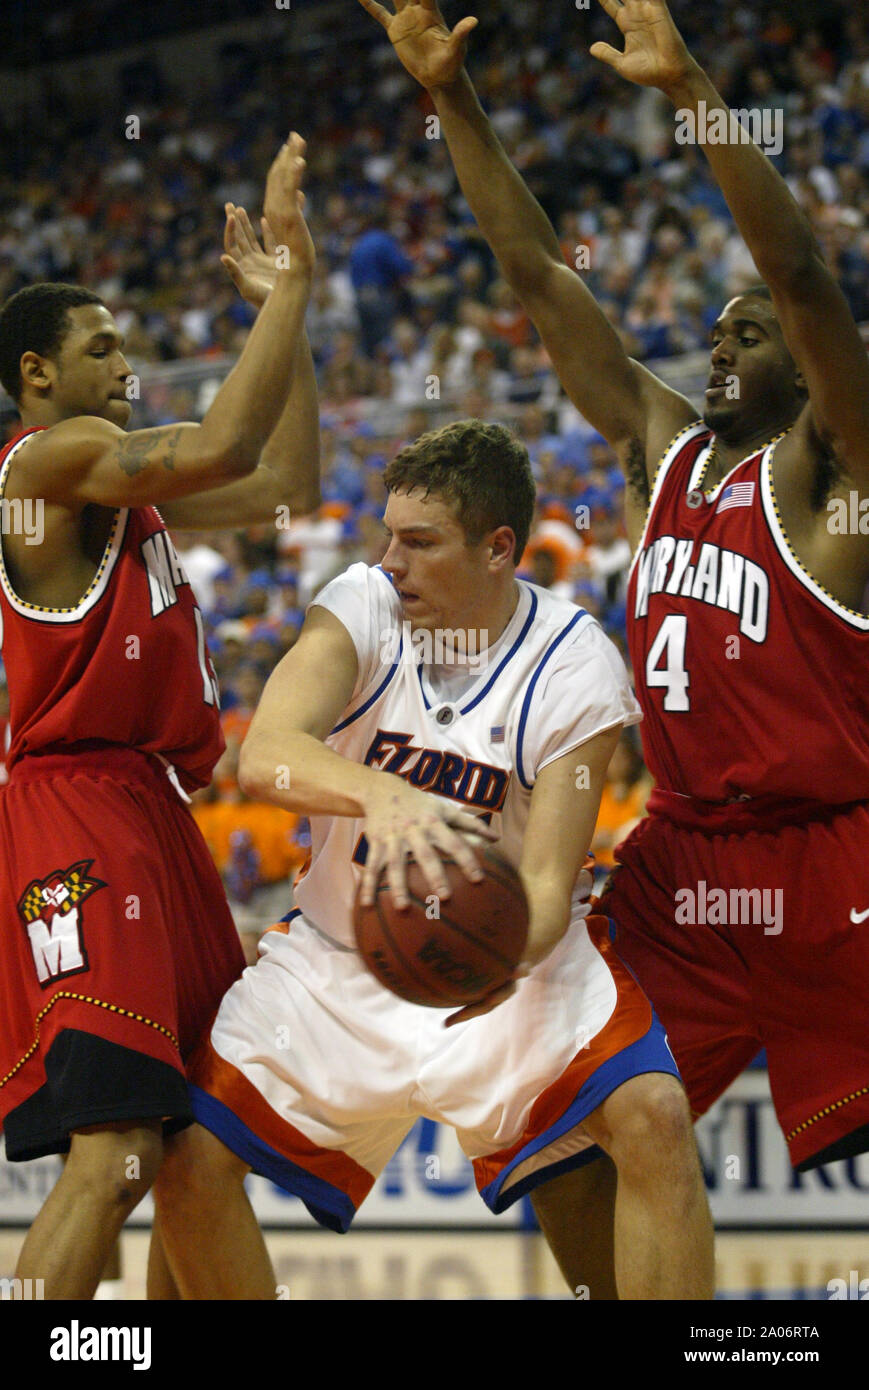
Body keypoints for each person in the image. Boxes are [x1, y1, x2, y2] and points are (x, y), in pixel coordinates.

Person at [357, 0, 869, 1290]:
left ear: (807, 370)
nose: (716, 341)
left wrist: (693, 90)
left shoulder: (833, 475)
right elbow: (537, 275)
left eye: (744, 332)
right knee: (566, 1129)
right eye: (711, 327)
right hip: (687, 866)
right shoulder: (665, 447)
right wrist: (453, 98)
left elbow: (804, 278)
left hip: (835, 863)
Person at [153, 419, 714, 1300]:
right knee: (187, 1155)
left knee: (653, 1115)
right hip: (339, 958)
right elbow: (266, 755)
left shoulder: (575, 664)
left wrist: (502, 953)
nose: (392, 559)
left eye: (419, 542)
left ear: (498, 548)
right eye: (387, 536)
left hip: (509, 961)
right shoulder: (363, 603)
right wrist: (383, 793)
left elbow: (543, 885)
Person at [0, 134, 320, 1299]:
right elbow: (227, 439)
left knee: (192, 1145)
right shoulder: (45, 466)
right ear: (38, 375)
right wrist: (281, 292)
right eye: (102, 346)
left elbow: (288, 479)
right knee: (116, 1148)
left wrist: (298, 306)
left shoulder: (125, 491)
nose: (125, 358)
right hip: (73, 813)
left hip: (152, 810)